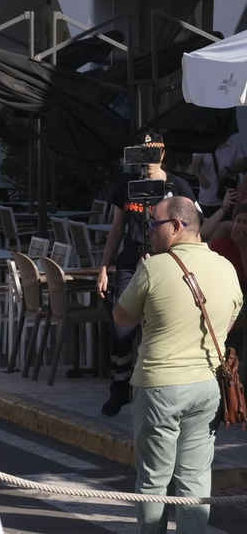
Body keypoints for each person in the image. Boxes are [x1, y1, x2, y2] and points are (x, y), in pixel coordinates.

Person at [112, 196, 242, 534]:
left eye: (154, 224)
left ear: (176, 226)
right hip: (208, 385)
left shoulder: (153, 267)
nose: (150, 231)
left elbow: (121, 317)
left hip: (160, 385)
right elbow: (227, 323)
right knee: (195, 478)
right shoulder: (226, 267)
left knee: (154, 477)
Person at [96, 131, 197, 416]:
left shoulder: (178, 185)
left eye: (155, 151)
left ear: (163, 153)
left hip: (169, 261)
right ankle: (120, 386)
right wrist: (104, 267)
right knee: (121, 324)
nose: (149, 158)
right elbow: (117, 228)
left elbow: (193, 228)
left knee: (167, 323)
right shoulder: (127, 184)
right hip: (132, 261)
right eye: (143, 151)